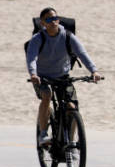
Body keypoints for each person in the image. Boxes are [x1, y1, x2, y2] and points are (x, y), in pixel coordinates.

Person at [26, 8, 102, 146]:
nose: (53, 22)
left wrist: (94, 71)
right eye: (49, 19)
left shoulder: (67, 36)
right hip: (41, 77)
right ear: (43, 23)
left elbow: (82, 53)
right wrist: (33, 74)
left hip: (62, 76)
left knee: (71, 106)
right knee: (47, 95)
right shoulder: (37, 39)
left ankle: (71, 142)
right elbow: (31, 58)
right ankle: (43, 134)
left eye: (55, 18)